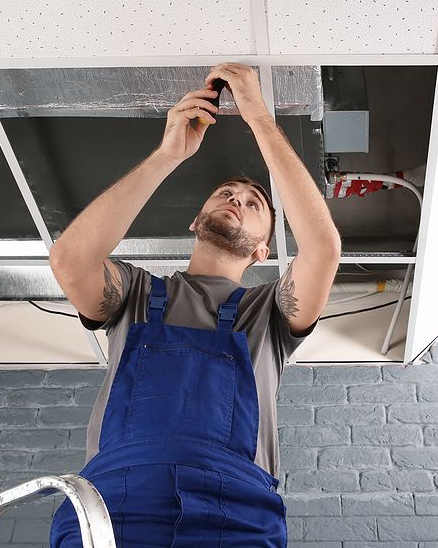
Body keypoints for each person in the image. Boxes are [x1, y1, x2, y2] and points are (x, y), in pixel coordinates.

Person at [47, 62, 342, 547]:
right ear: (196, 220)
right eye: (226, 193)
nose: (237, 199)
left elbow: (323, 249)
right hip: (115, 501)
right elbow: (69, 258)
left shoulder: (269, 314)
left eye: (254, 203)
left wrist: (259, 120)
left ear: (264, 249)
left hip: (236, 512)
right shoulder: (136, 295)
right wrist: (168, 154)